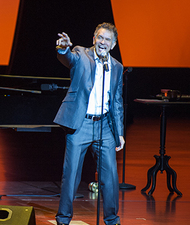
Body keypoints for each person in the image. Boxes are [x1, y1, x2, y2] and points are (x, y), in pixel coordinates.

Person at [53, 22, 125, 225]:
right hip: (81, 124)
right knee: (71, 174)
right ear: (94, 39)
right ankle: (63, 219)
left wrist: (119, 132)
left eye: (107, 39)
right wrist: (63, 48)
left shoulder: (117, 67)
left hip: (105, 127)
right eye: (100, 38)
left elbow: (117, 101)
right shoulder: (81, 54)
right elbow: (68, 58)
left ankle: (112, 220)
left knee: (110, 176)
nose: (103, 42)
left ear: (113, 44)